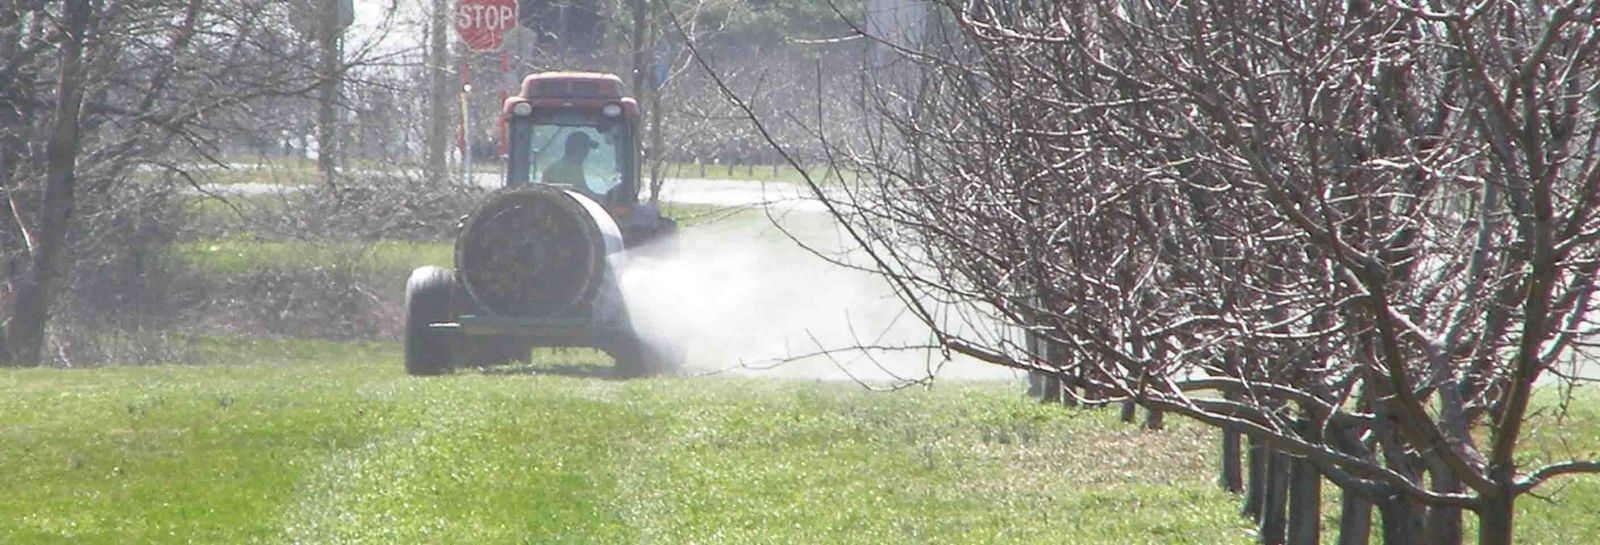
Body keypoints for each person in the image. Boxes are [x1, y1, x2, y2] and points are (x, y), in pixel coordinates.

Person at [540, 132, 600, 196]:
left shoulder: (550, 169)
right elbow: (583, 194)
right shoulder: (571, 169)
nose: (586, 155)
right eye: (585, 150)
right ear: (578, 150)